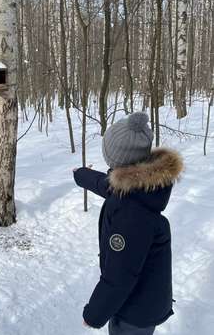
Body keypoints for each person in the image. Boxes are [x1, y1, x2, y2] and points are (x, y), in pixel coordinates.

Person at [73, 112, 183, 335]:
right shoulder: (143, 186)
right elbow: (110, 186)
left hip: (135, 313)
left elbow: (119, 276)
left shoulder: (131, 216)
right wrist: (82, 175)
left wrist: (94, 315)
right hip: (145, 300)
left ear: (116, 159)